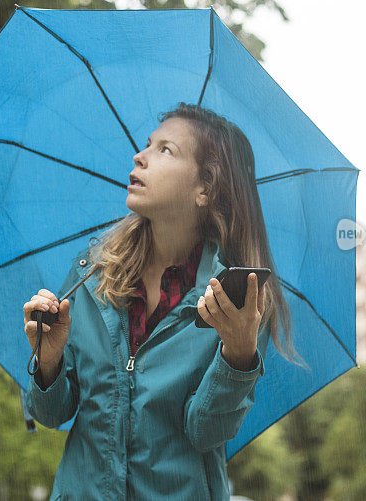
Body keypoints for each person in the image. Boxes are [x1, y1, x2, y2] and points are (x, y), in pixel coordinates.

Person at [21, 102, 298, 500]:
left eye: (165, 150)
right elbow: (51, 415)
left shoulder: (236, 302)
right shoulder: (93, 275)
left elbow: (206, 432)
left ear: (205, 189)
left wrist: (237, 357)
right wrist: (48, 361)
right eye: (148, 145)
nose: (140, 156)